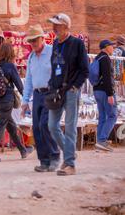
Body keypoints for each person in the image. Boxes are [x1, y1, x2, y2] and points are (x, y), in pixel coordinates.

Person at [47, 13, 89, 176]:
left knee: (70, 128)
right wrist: (51, 86)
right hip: (57, 92)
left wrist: (75, 87)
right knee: (52, 126)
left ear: (66, 26)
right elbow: (54, 68)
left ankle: (70, 164)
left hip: (71, 91)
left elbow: (84, 69)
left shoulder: (77, 44)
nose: (53, 28)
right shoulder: (56, 44)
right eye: (53, 25)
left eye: (56, 25)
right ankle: (70, 153)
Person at [0, 43, 33, 163]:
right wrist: (26, 99)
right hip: (7, 100)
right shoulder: (10, 66)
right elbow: (19, 84)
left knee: (10, 126)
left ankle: (23, 150)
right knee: (1, 125)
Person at [22, 25, 60, 172]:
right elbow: (29, 80)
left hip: (51, 92)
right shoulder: (31, 57)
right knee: (37, 128)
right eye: (30, 41)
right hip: (37, 95)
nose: (32, 44)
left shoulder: (52, 52)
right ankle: (44, 161)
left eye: (35, 40)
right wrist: (25, 101)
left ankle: (55, 156)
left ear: (42, 39)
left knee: (46, 124)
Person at [93, 40, 118, 152]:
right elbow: (107, 77)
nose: (113, 48)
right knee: (113, 115)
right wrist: (110, 94)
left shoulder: (97, 58)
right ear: (106, 47)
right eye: (111, 46)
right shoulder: (105, 59)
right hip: (105, 91)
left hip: (97, 91)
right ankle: (102, 140)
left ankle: (99, 142)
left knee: (102, 116)